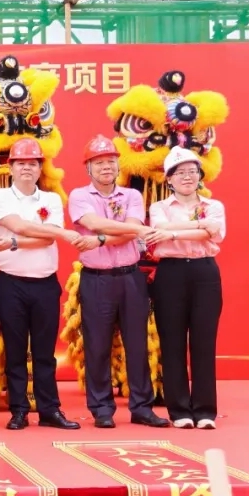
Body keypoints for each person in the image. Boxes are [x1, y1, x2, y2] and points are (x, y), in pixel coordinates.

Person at [68, 135, 171, 429]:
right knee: (97, 346)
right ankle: (101, 408)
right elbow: (94, 223)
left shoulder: (132, 196)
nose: (106, 167)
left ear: (118, 165)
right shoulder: (79, 196)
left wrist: (102, 239)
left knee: (137, 344)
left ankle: (142, 407)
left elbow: (132, 228)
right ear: (88, 168)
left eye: (111, 162)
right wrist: (126, 230)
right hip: (96, 280)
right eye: (99, 162)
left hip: (130, 278)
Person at [0, 138, 82, 431]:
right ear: (11, 168)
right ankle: (18, 410)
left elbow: (47, 238)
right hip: (10, 284)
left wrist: (16, 242)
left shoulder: (50, 200)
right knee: (15, 351)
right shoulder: (0, 196)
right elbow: (18, 225)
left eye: (32, 163)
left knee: (44, 353)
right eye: (21, 163)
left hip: (45, 284)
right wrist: (56, 234)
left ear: (40, 168)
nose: (26, 168)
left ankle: (49, 410)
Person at [145, 147, 227, 429]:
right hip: (171, 274)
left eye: (192, 171)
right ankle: (179, 410)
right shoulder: (159, 208)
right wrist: (200, 227)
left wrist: (173, 232)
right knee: (172, 342)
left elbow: (215, 233)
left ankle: (205, 411)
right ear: (169, 178)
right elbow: (159, 233)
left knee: (204, 342)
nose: (187, 177)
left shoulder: (214, 206)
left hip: (205, 273)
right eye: (180, 173)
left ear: (200, 176)